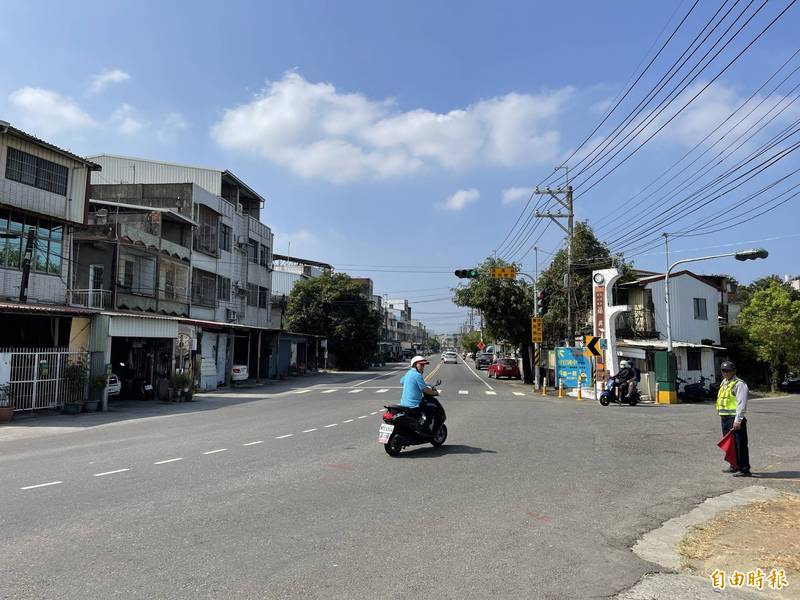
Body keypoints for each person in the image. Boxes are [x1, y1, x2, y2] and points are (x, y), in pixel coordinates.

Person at [717, 361, 751, 476]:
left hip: (735, 419)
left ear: (734, 371)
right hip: (725, 418)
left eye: (728, 370)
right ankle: (734, 465)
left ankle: (744, 469)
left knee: (740, 444)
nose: (725, 373)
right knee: (730, 444)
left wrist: (738, 420)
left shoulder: (739, 384)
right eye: (723, 370)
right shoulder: (724, 383)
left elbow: (741, 403)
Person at [400, 355, 438, 431]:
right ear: (414, 365)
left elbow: (401, 381)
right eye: (421, 365)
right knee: (429, 412)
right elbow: (425, 390)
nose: (423, 367)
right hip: (414, 405)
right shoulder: (417, 375)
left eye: (423, 365)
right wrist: (435, 393)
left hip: (403, 404)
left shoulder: (408, 373)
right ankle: (425, 431)